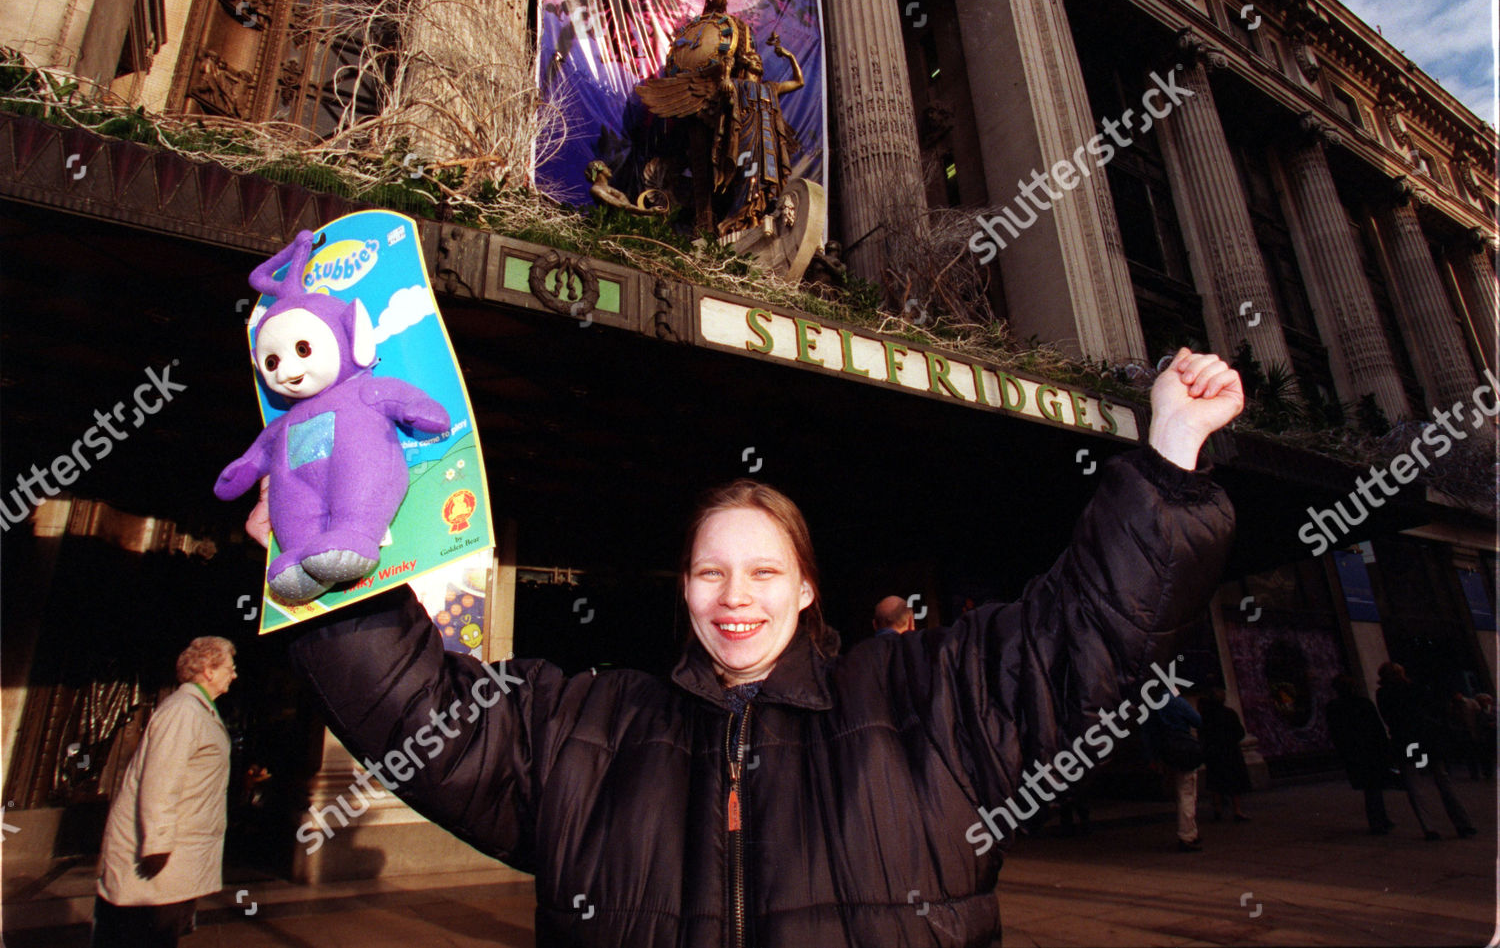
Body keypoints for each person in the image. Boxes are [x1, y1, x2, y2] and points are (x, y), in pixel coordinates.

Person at [260, 348, 1240, 946]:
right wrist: (327, 580)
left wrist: (1170, 458)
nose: (736, 598)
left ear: (807, 586)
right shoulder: (586, 727)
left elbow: (1086, 634)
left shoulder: (926, 701)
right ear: (683, 588)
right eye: (711, 572)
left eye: (765, 572)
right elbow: (429, 722)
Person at [92, 637, 237, 948]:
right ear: (208, 671)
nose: (234, 675)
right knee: (144, 934)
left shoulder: (197, 709)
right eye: (229, 667)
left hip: (176, 855)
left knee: (158, 933)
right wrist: (157, 843)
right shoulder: (184, 711)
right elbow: (161, 778)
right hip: (162, 857)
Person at [1376, 661, 1476, 840]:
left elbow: (1388, 717)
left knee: (1414, 783)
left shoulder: (1383, 693)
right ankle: (1463, 824)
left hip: (1406, 741)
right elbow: (1433, 708)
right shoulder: (1414, 688)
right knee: (1442, 779)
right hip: (1427, 739)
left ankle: (1428, 827)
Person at [1325, 674, 1397, 834]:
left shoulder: (1333, 707)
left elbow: (1335, 732)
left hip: (1353, 752)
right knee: (1373, 786)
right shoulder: (1363, 704)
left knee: (1370, 786)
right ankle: (1378, 820)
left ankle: (1379, 819)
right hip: (1370, 750)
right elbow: (1377, 729)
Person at [1142, 691, 1205, 851]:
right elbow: (1198, 721)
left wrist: (1152, 759)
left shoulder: (1151, 704)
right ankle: (1187, 835)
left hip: (1166, 752)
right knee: (1187, 792)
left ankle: (1191, 830)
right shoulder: (1177, 701)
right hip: (1183, 749)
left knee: (1178, 792)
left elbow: (1148, 734)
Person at [1197, 688, 1251, 822]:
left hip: (1214, 753)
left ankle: (1218, 809)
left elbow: (1202, 734)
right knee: (1234, 783)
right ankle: (1237, 810)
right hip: (1231, 751)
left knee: (1216, 783)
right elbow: (1240, 732)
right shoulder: (1229, 713)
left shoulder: (1206, 716)